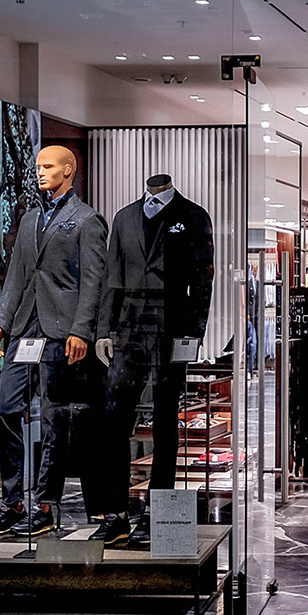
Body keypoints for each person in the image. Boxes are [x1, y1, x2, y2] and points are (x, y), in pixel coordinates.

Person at [0, 145, 109, 538]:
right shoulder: (31, 219)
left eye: (48, 166)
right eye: (38, 166)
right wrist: (1, 323)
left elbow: (93, 282)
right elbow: (16, 277)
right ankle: (12, 501)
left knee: (55, 420)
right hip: (25, 329)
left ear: (68, 170)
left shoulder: (87, 221)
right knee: (5, 409)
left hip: (62, 331)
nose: (39, 172)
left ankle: (47, 504)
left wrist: (82, 330)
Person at [93, 173, 215, 549]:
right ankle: (115, 513)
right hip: (128, 329)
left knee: (165, 422)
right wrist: (103, 329)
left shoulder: (194, 216)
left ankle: (156, 511)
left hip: (171, 328)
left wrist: (193, 335)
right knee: (115, 419)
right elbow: (112, 276)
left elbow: (203, 280)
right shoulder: (125, 217)